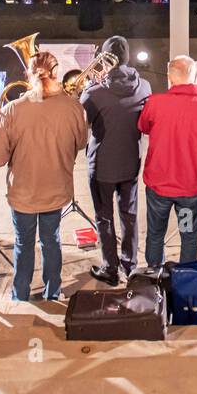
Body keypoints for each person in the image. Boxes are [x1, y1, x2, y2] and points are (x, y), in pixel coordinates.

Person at [0, 50, 88, 302]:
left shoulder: (13, 109)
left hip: (23, 192)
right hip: (56, 188)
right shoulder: (74, 107)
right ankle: (53, 291)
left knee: (23, 243)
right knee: (51, 241)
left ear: (27, 75)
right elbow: (82, 142)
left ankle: (20, 294)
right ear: (56, 73)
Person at [78, 36, 150, 285]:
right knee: (129, 215)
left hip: (101, 166)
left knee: (104, 217)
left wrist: (91, 86)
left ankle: (110, 267)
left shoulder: (93, 93)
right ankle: (130, 266)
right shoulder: (145, 87)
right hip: (131, 161)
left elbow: (81, 123)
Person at [137, 56, 197, 267]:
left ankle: (154, 279)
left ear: (169, 77)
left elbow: (144, 127)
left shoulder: (155, 102)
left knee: (155, 235)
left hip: (159, 187)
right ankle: (186, 279)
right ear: (195, 76)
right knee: (188, 235)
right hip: (189, 189)